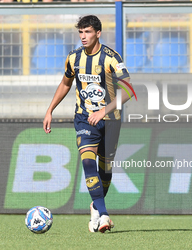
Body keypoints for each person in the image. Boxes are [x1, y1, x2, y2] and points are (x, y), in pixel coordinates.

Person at [43, 15, 133, 233]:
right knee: (87, 162)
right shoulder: (73, 58)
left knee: (106, 171)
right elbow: (65, 83)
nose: (83, 37)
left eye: (88, 32)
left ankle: (96, 205)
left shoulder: (112, 58)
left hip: (110, 120)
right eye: (81, 32)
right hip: (84, 118)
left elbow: (129, 90)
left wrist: (103, 111)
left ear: (98, 33)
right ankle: (104, 215)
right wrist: (50, 110)